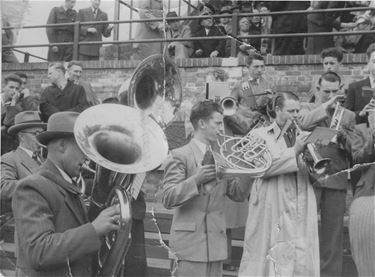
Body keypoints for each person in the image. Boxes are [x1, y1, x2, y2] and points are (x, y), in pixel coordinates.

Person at [12, 111, 121, 277]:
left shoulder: (67, 183)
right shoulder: (32, 186)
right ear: (62, 146)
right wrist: (94, 229)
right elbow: (39, 252)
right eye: (83, 148)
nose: (87, 157)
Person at [162, 100, 251, 277]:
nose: (221, 129)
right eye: (217, 123)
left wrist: (249, 169)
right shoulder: (180, 155)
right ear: (202, 123)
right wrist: (196, 180)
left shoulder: (221, 157)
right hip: (189, 246)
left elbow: (238, 194)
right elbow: (168, 198)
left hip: (216, 245)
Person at [239, 92, 319, 276]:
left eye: (298, 110)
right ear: (277, 110)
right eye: (291, 110)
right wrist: (295, 150)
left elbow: (312, 174)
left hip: (301, 204)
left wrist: (312, 160)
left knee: (301, 260)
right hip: (273, 205)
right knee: (270, 263)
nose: (296, 115)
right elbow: (262, 168)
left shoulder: (304, 136)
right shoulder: (259, 134)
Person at [299, 72, 356, 277]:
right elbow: (303, 125)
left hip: (336, 179)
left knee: (333, 237)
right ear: (317, 89)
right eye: (326, 91)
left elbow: (355, 152)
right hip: (310, 178)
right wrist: (325, 107)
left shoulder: (348, 115)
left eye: (335, 91)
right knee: (304, 233)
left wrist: (344, 140)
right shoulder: (307, 109)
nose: (331, 95)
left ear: (341, 89)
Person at [1, 111, 46, 215]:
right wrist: (40, 184)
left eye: (41, 133)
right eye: (36, 134)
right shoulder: (9, 158)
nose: (40, 138)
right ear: (21, 136)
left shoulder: (42, 159)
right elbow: (4, 188)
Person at [347, 122, 375, 276]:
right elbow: (357, 161)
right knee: (368, 259)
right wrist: (373, 138)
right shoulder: (361, 129)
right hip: (368, 196)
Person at [345, 43, 375, 124]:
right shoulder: (354, 87)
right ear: (368, 62)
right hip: (363, 134)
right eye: (374, 61)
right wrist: (361, 113)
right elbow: (345, 117)